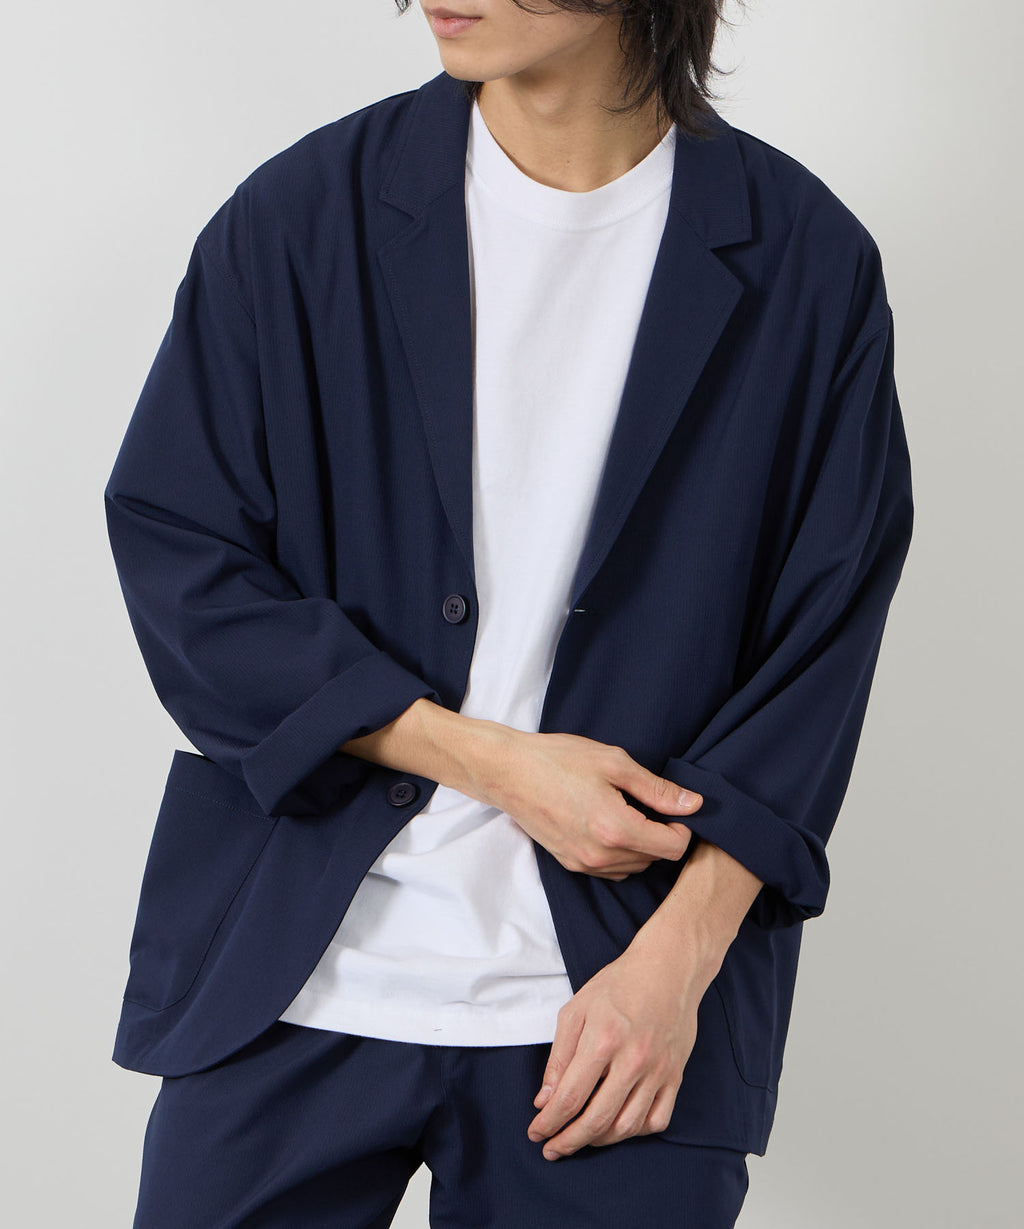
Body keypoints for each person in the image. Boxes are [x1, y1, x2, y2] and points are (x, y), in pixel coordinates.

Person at [105, 2, 914, 1226]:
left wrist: (679, 962)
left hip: (616, 1008)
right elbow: (185, 560)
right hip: (292, 975)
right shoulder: (302, 217)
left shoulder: (805, 261)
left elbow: (821, 648)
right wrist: (492, 762)